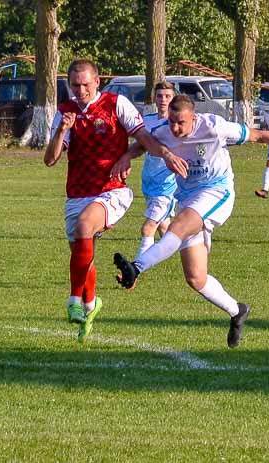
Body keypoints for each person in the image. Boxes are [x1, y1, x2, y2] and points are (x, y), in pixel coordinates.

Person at [112, 95, 269, 348]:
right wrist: (126, 157)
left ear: (193, 117)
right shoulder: (164, 132)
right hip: (188, 199)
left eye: (182, 123)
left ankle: (137, 267)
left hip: (217, 192)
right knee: (195, 277)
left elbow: (259, 135)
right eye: (173, 122)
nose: (176, 128)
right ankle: (236, 311)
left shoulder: (214, 126)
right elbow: (143, 144)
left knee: (177, 226)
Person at [44, 59, 176, 344]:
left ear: (97, 82)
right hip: (77, 193)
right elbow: (50, 159)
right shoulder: (65, 112)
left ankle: (74, 301)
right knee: (82, 252)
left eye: (85, 84)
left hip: (111, 189)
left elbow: (143, 138)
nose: (80, 90)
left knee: (83, 228)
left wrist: (163, 154)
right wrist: (61, 130)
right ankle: (91, 305)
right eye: (75, 85)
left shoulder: (117, 104)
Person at [134, 82, 178, 261]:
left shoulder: (177, 124)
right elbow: (137, 145)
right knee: (164, 228)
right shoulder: (148, 121)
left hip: (168, 185)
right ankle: (190, 252)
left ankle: (136, 268)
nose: (163, 100)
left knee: (148, 228)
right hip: (149, 182)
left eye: (167, 96)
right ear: (154, 98)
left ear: (174, 98)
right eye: (160, 96)